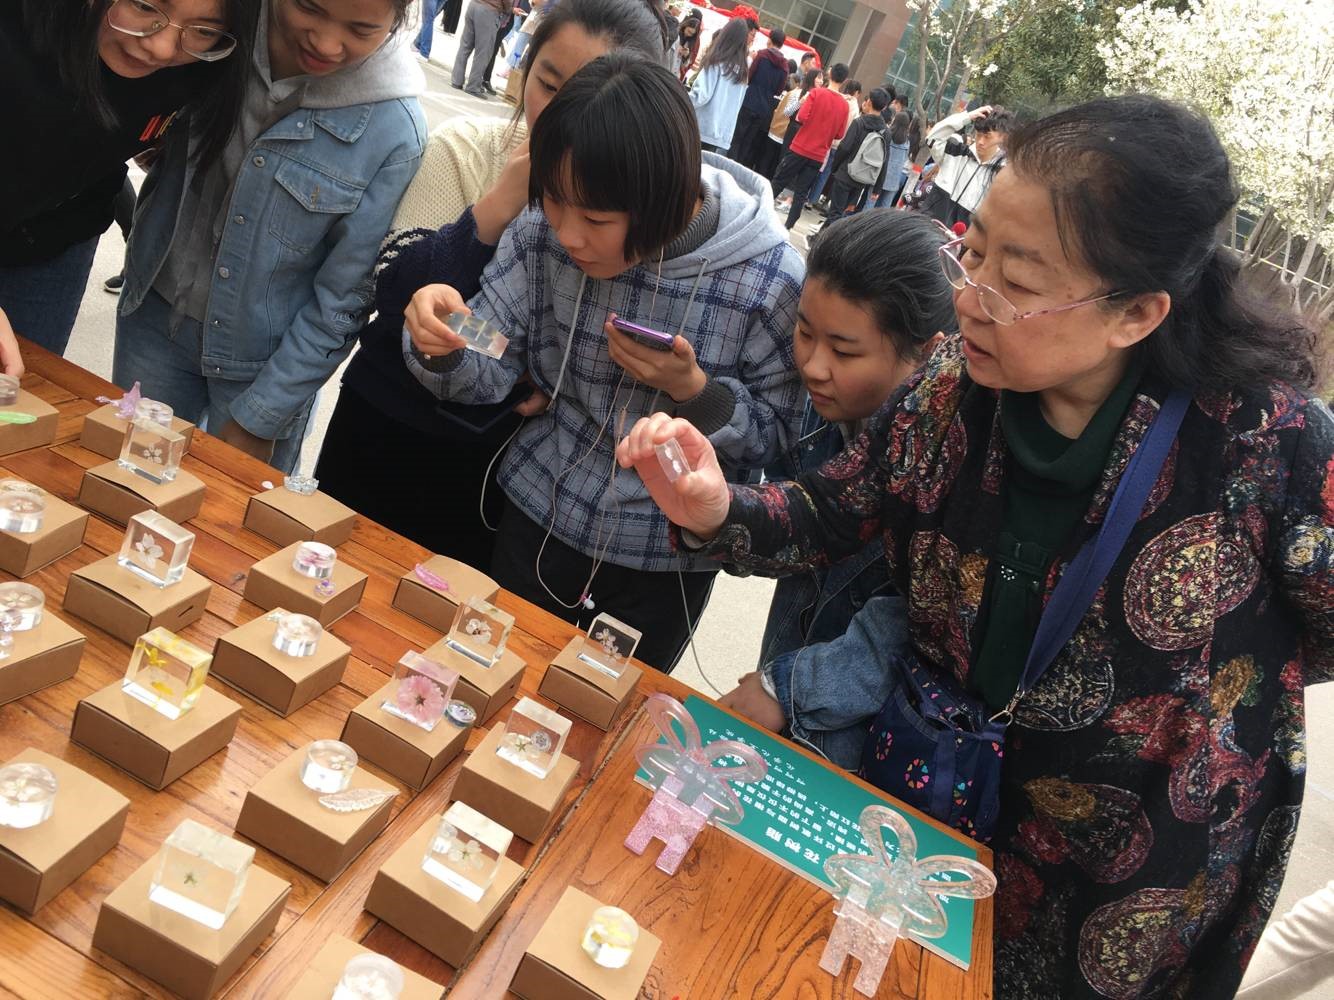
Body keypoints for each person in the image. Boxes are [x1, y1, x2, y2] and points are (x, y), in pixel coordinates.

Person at [618, 94, 1332, 997]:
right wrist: (717, 504)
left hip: (1125, 878)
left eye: (1017, 283)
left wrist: (1196, 709)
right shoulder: (949, 391)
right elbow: (832, 512)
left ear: (1136, 313)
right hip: (934, 802)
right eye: (975, 250)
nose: (969, 297)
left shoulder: (1267, 444)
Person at [403, 55, 805, 670]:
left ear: (666, 200)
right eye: (554, 202)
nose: (568, 235)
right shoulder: (540, 233)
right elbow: (496, 351)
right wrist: (446, 335)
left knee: (603, 711)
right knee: (489, 677)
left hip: (662, 557)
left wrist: (695, 391)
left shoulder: (768, 280)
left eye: (595, 219)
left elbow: (778, 439)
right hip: (536, 514)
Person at [316, 0, 668, 571]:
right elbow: (396, 289)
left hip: (496, 464)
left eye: (590, 93)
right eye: (548, 84)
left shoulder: (634, 209)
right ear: (524, 69)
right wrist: (499, 204)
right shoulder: (464, 148)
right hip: (384, 421)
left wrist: (542, 368)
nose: (562, 112)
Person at [114, 0, 427, 473]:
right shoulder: (215, 32)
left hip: (263, 369)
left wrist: (265, 413)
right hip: (155, 318)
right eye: (308, 8)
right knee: (127, 481)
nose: (326, 42)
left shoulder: (394, 132)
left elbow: (344, 298)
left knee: (231, 510)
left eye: (361, 29)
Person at [720, 211, 953, 765]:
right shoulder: (821, 412)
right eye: (805, 332)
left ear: (928, 355)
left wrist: (790, 688)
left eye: (845, 351)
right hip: (783, 676)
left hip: (867, 745)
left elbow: (910, 624)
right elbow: (786, 535)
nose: (813, 367)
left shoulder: (947, 465)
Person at [1, 0, 255, 357]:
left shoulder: (207, 65)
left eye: (203, 29)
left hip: (54, 234)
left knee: (28, 381)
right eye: (144, 6)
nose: (161, 48)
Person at [770, 66, 848, 231]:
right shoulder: (844, 105)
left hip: (800, 147)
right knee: (801, 192)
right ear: (845, 80)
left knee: (779, 181)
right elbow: (840, 134)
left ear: (830, 74)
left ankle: (761, 210)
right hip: (818, 155)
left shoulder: (816, 93)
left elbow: (801, 117)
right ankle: (789, 225)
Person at [923, 103, 1013, 227]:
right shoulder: (955, 152)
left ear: (1002, 137)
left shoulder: (1001, 173)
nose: (980, 141)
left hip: (962, 237)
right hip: (928, 226)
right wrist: (967, 117)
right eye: (978, 135)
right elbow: (932, 138)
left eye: (987, 137)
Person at [821, 86, 891, 228]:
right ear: (884, 107)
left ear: (869, 101)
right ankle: (819, 236)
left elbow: (844, 147)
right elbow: (884, 160)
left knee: (835, 213)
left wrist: (835, 167)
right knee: (842, 213)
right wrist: (877, 187)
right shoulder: (885, 131)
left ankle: (829, 240)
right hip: (862, 179)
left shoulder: (859, 122)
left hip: (846, 173)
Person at [725, 28, 787, 169]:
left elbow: (749, 76)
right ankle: (737, 170)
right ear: (782, 44)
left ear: (770, 39)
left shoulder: (761, 55)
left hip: (749, 101)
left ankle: (727, 166)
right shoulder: (784, 66)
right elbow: (779, 90)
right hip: (764, 109)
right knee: (748, 141)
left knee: (737, 137)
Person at [688, 16, 750, 154]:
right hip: (720, 132)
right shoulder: (743, 71)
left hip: (701, 126)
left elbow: (701, 96)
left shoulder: (717, 61)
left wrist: (680, 100)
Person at [757, 66, 820, 182]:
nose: (821, 81)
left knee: (777, 167)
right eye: (818, 78)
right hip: (780, 133)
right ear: (812, 78)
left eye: (822, 79)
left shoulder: (817, 97)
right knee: (767, 165)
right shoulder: (797, 93)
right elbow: (787, 112)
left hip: (794, 138)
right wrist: (800, 102)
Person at [452, 0, 507, 97]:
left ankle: (456, 80)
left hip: (473, 5)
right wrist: (510, 9)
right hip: (489, 11)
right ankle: (473, 86)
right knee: (483, 52)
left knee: (465, 46)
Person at [862, 109, 910, 212]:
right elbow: (905, 159)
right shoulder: (907, 142)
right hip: (894, 179)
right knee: (884, 209)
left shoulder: (886, 134)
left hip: (880, 175)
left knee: (869, 205)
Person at [672, 10, 702, 81]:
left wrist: (686, 56)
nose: (689, 34)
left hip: (676, 73)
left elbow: (689, 62)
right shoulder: (675, 31)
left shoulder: (694, 41)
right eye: (688, 31)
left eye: (692, 34)